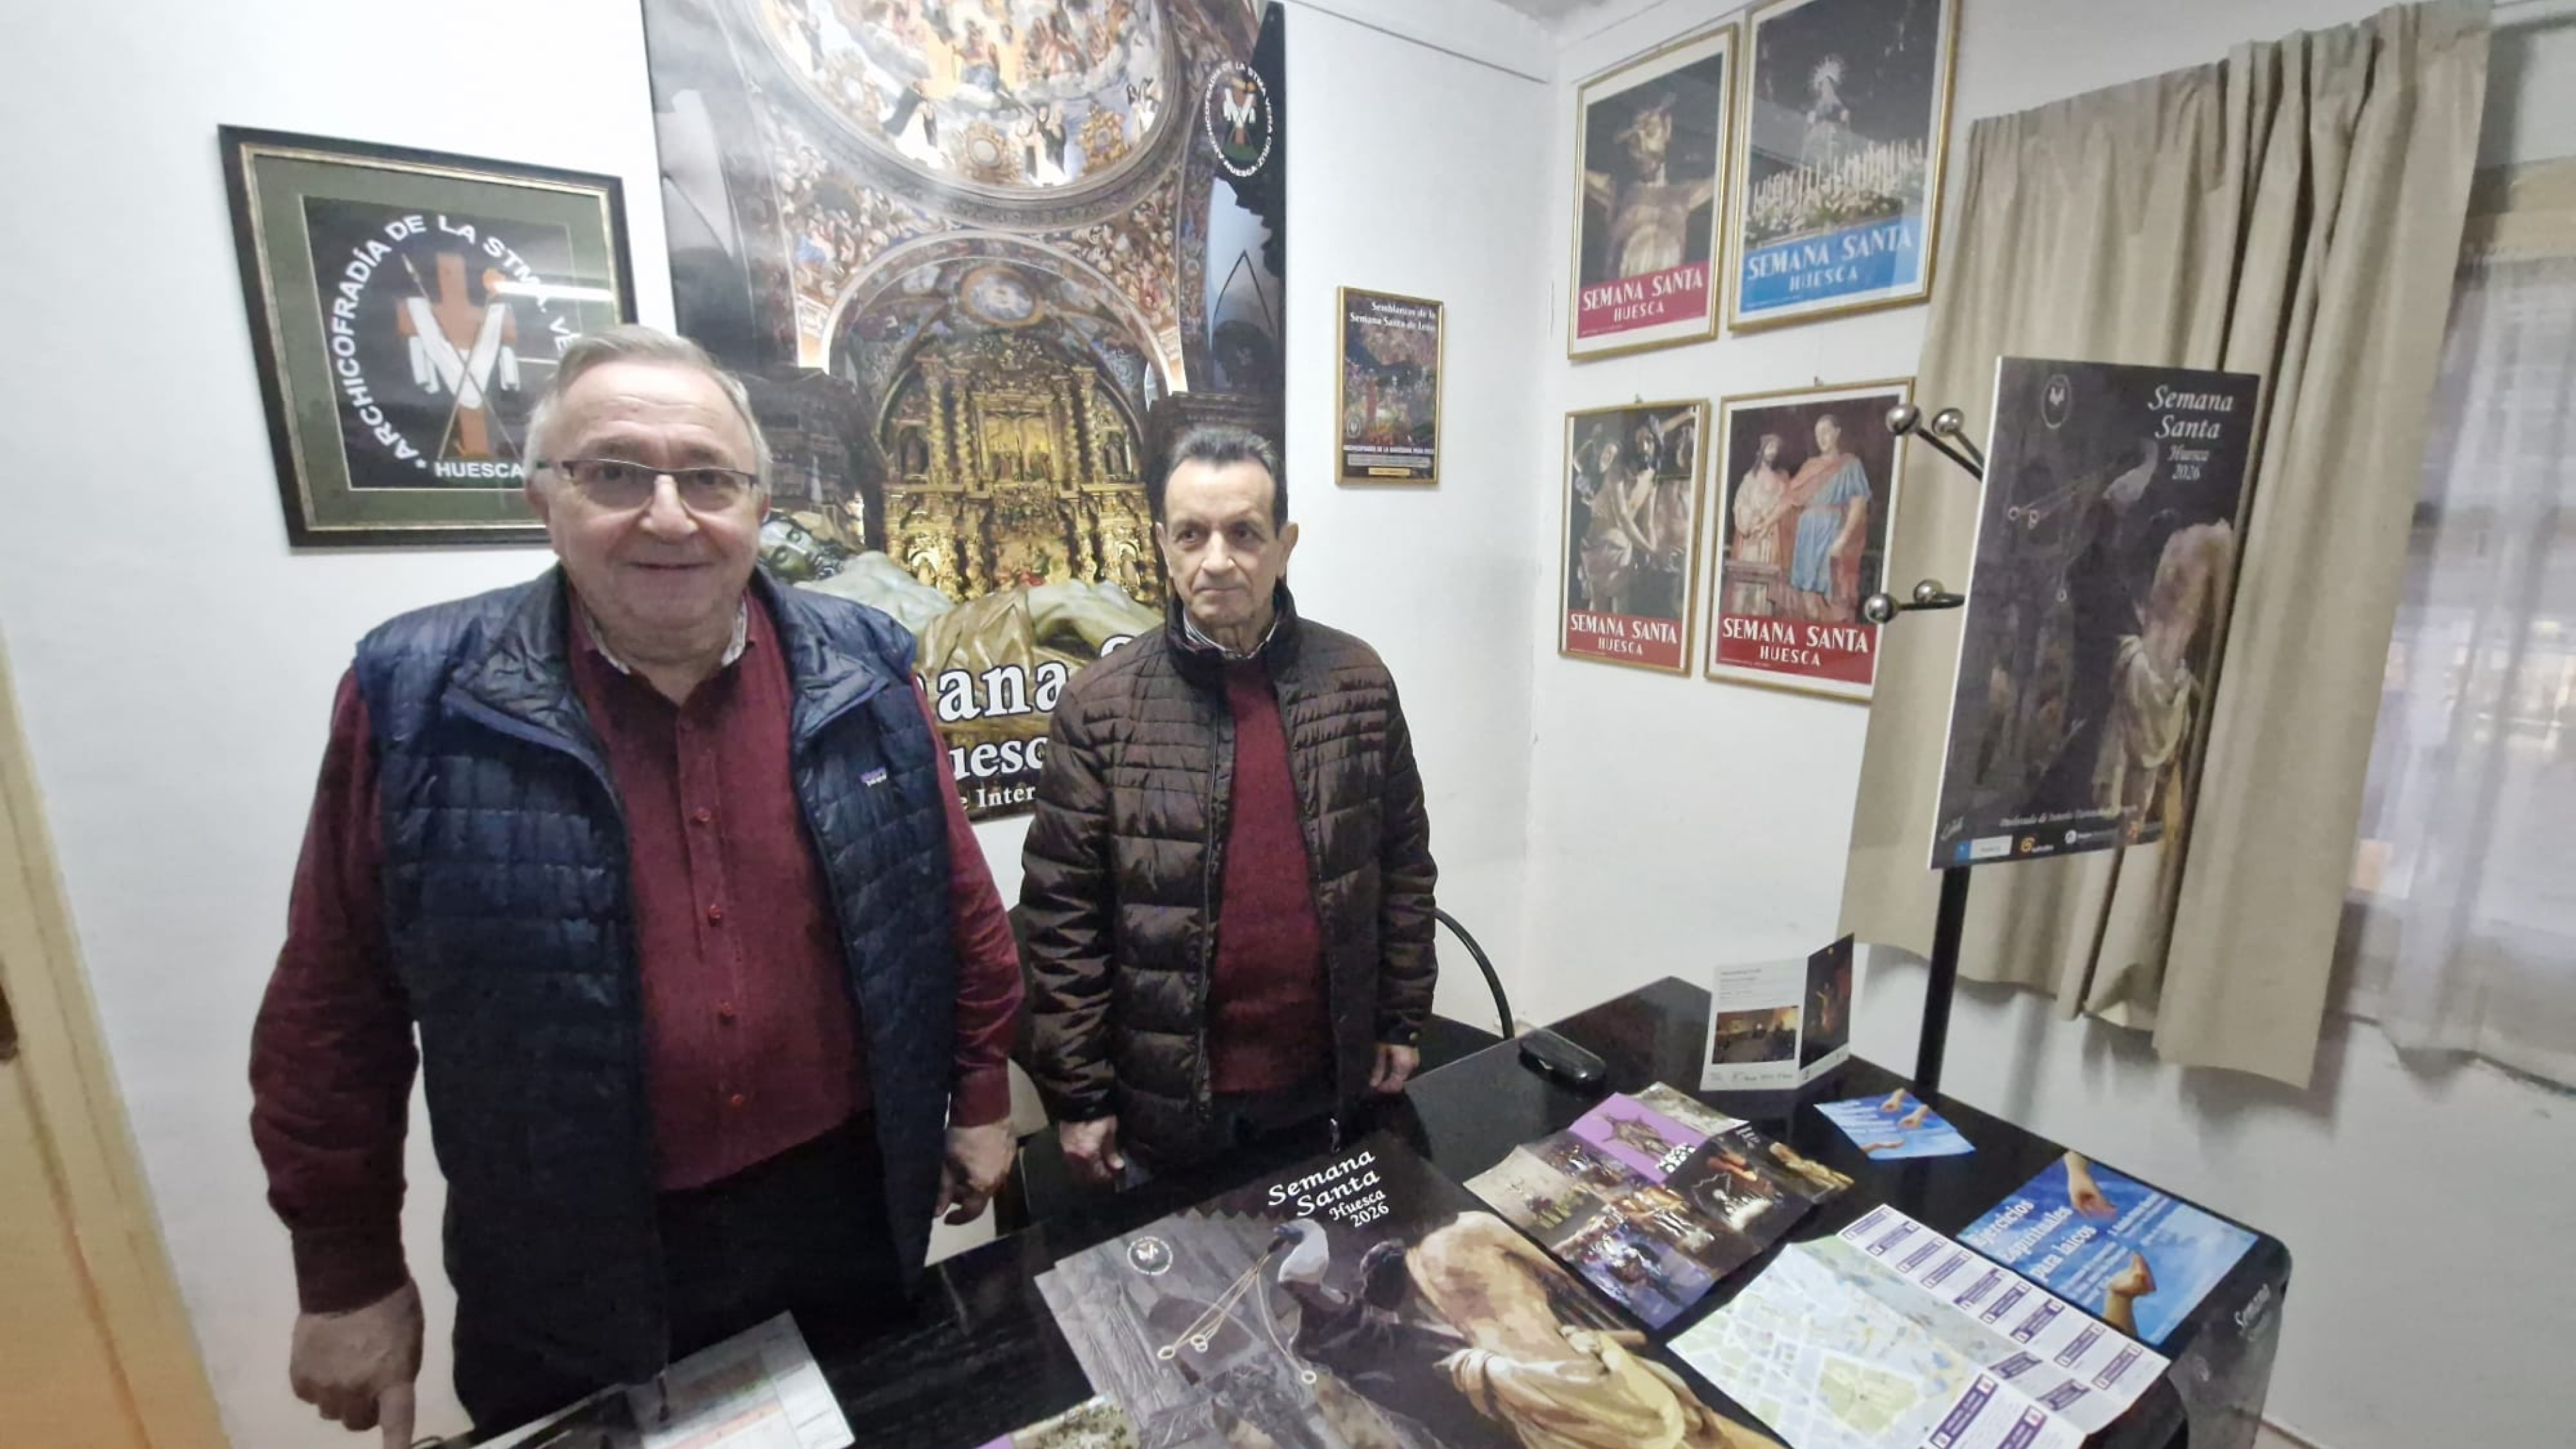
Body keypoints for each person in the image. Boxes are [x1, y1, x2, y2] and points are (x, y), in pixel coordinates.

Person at [248, 325, 1024, 1440]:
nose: (669, 515)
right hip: (566, 1262)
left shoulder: (868, 666)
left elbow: (957, 912)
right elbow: (332, 1011)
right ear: (543, 498)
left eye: (707, 477)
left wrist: (981, 1097)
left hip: (845, 1215)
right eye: (617, 473)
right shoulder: (414, 697)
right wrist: (345, 1270)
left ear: (759, 502)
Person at [1020, 425, 1438, 1183]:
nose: (1217, 560)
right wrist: (1080, 1096)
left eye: (1244, 533)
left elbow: (1404, 866)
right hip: (1168, 1105)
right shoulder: (1099, 706)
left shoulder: (1358, 681)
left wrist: (1401, 1017)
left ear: (1285, 544)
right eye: (1192, 535)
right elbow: (1062, 921)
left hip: (1327, 1080)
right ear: (1163, 545)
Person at [1783, 413, 1872, 621]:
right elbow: (1789, 500)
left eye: (1826, 432)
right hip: (1807, 532)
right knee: (1806, 591)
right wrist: (1764, 522)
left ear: (1837, 433)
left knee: (1832, 587)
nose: (1821, 438)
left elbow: (1859, 501)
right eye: (1817, 435)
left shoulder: (1850, 464)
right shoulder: (1810, 466)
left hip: (1832, 530)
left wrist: (1843, 537)